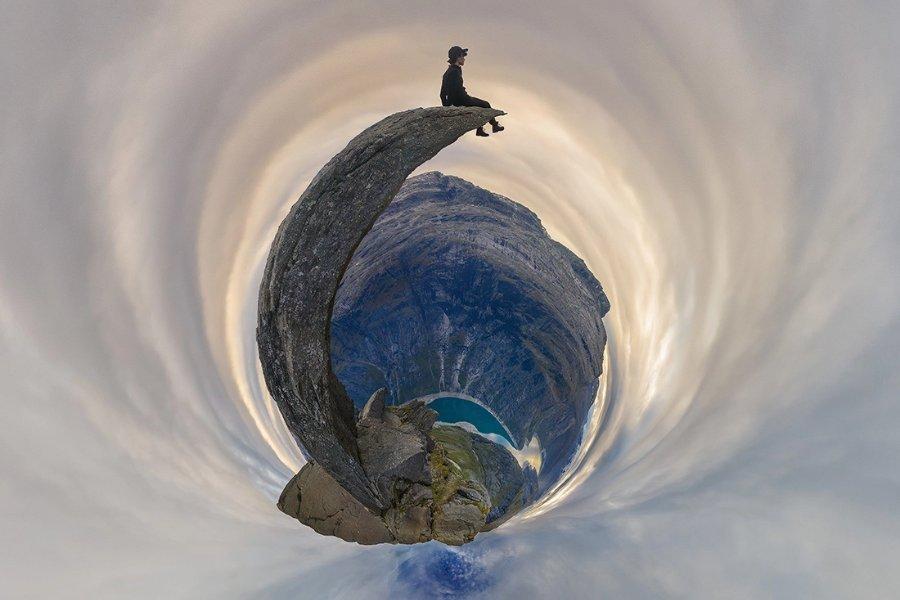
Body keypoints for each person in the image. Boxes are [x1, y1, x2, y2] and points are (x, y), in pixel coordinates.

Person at [440, 46, 504, 137]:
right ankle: (494, 125)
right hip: (462, 99)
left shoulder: (449, 72)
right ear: (458, 57)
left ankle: (481, 129)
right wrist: (450, 108)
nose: (464, 59)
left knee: (481, 105)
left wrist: (445, 106)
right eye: (463, 56)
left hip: (459, 99)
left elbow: (442, 93)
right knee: (485, 104)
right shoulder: (454, 72)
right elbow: (454, 91)